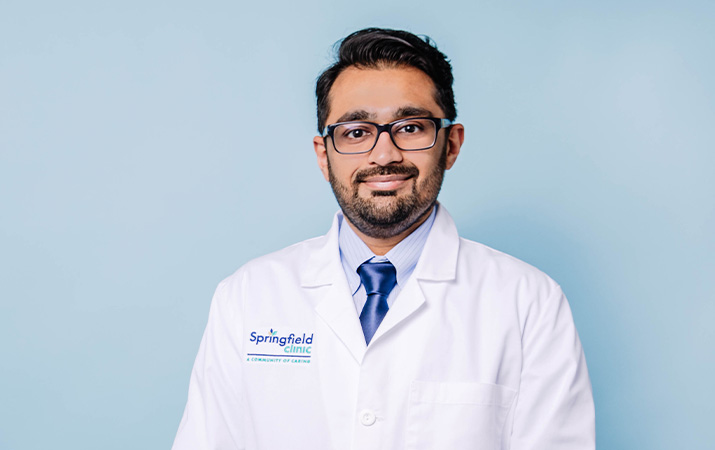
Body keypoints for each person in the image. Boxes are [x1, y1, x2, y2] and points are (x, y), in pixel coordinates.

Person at [172, 28, 595, 450]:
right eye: (356, 132)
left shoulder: (529, 302)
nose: (384, 155)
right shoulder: (249, 296)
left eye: (410, 127)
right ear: (324, 155)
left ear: (451, 145)